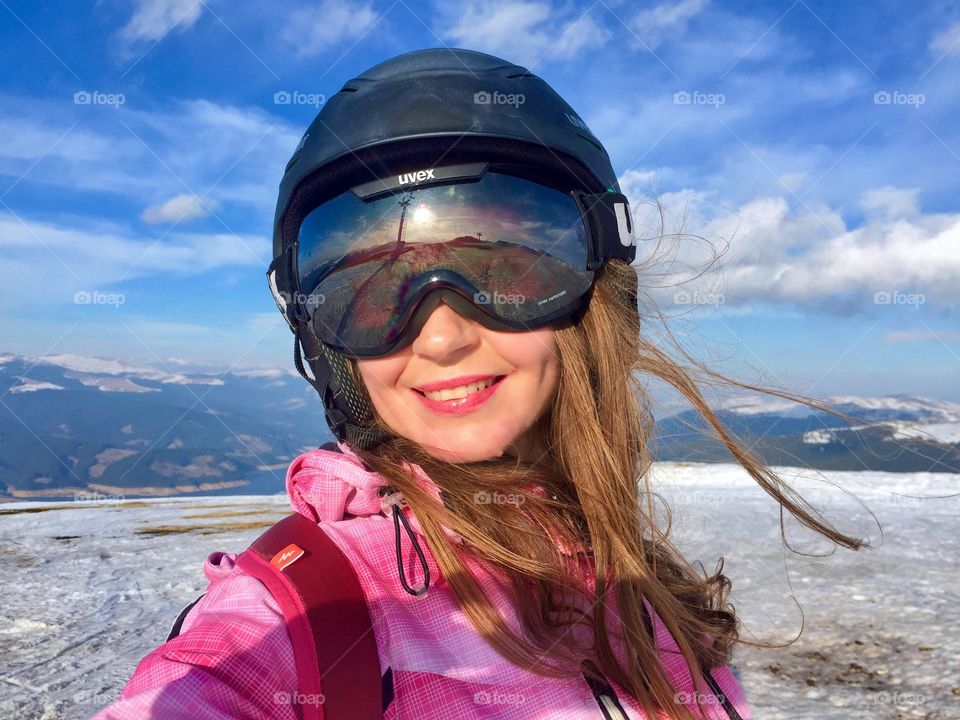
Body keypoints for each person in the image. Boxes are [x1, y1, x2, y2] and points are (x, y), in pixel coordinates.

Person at [91, 47, 861, 720]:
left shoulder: (645, 583)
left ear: (596, 288)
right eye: (369, 289)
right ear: (320, 336)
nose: (444, 333)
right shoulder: (301, 618)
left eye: (510, 269)